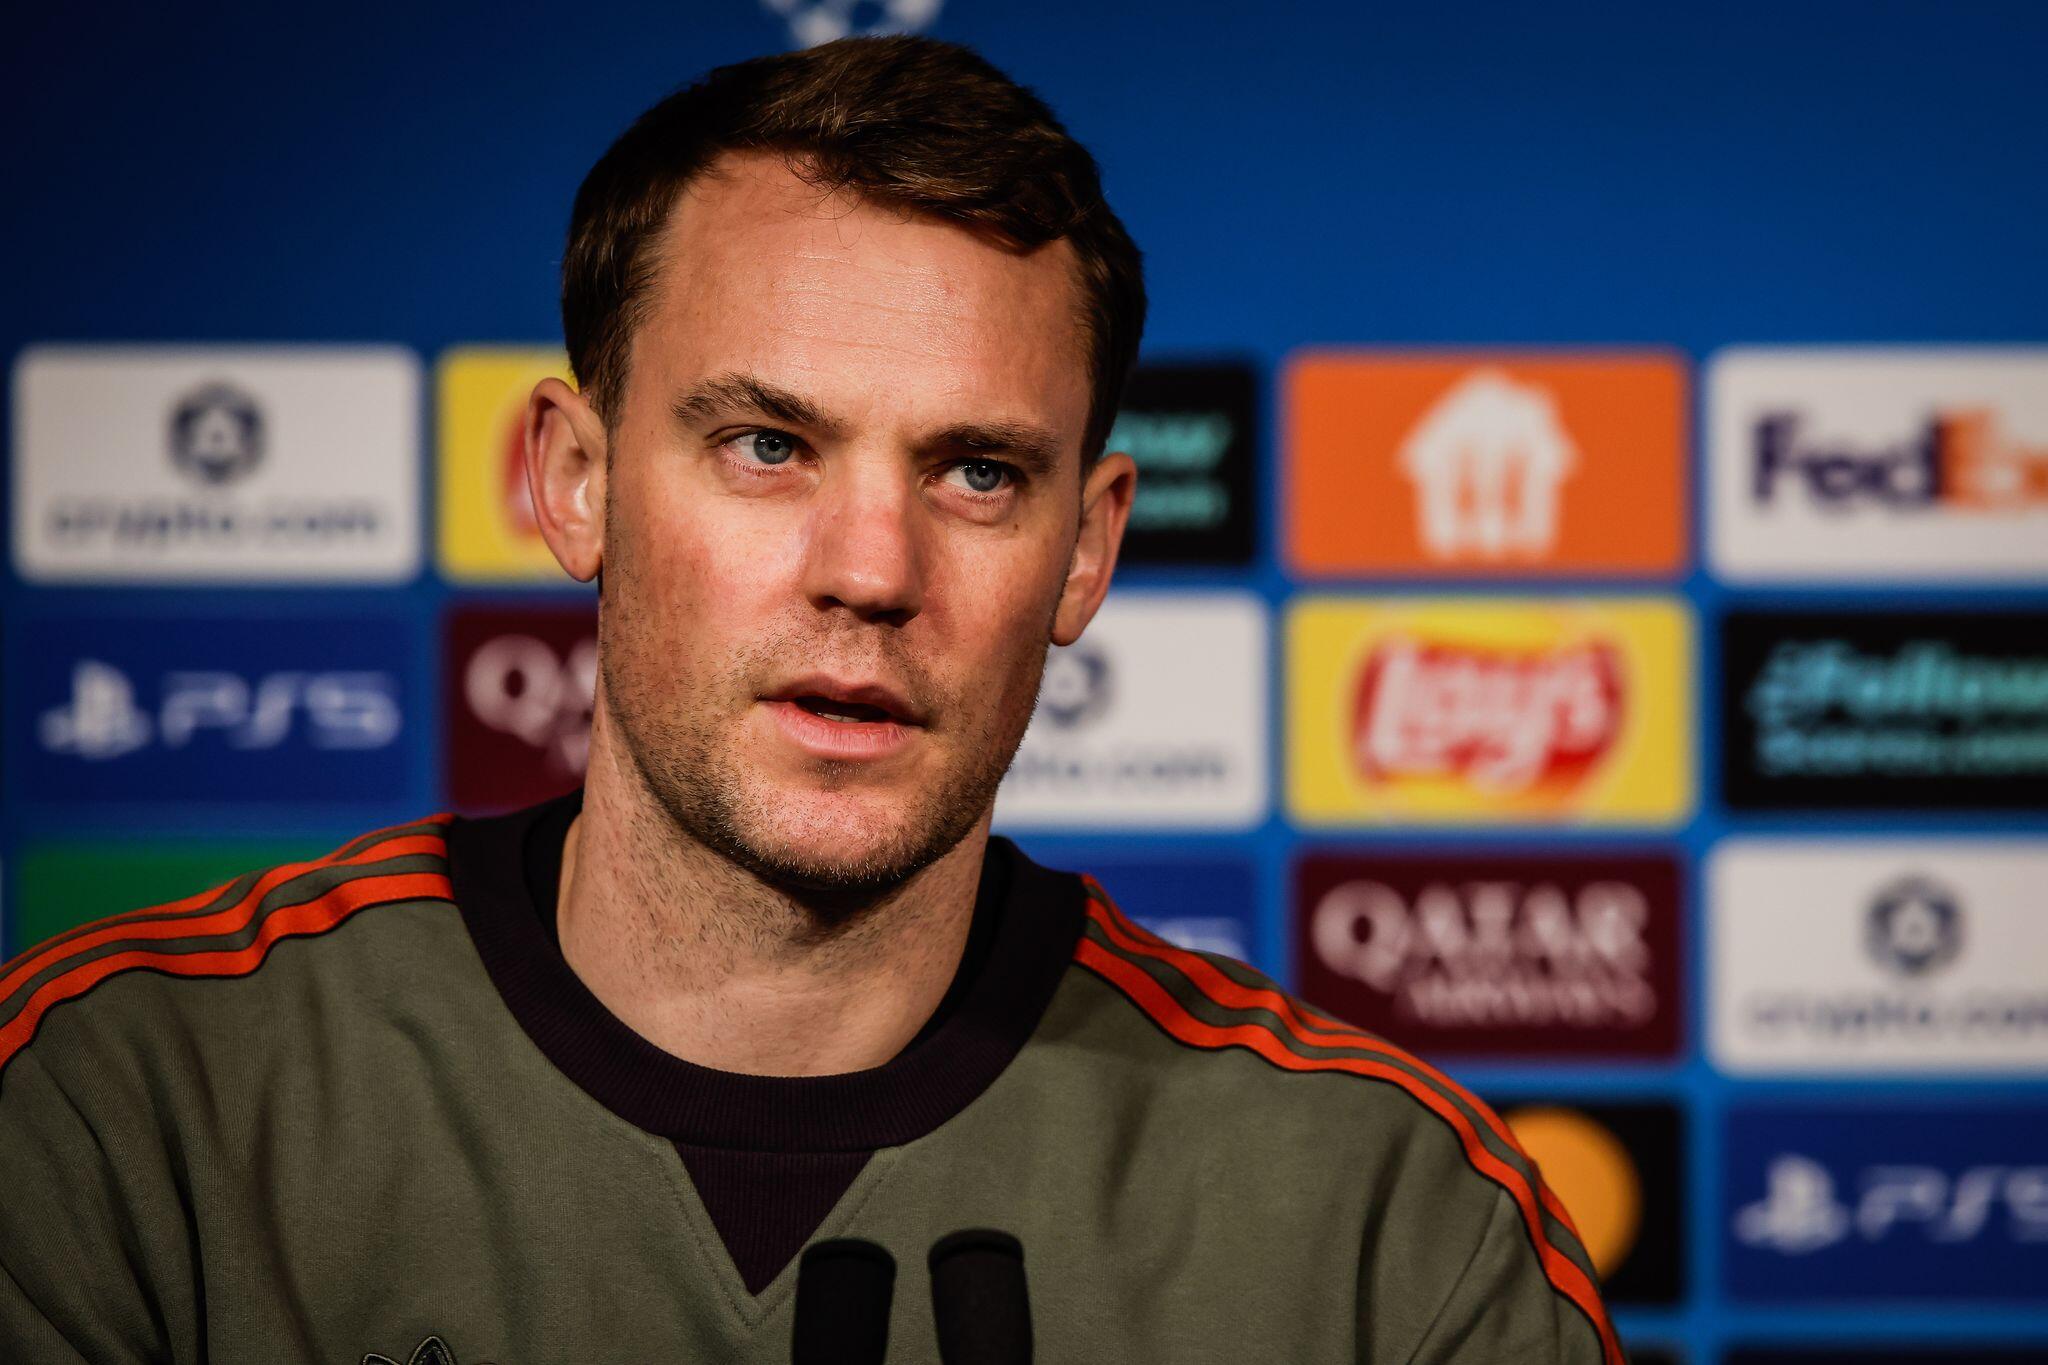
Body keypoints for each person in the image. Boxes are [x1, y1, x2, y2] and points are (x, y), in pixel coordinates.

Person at [0, 35, 1618, 1365]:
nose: (870, 570)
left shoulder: (1392, 1230)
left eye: (977, 473)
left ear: (1085, 550)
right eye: (768, 446)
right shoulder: (116, 1116)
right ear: (573, 481)